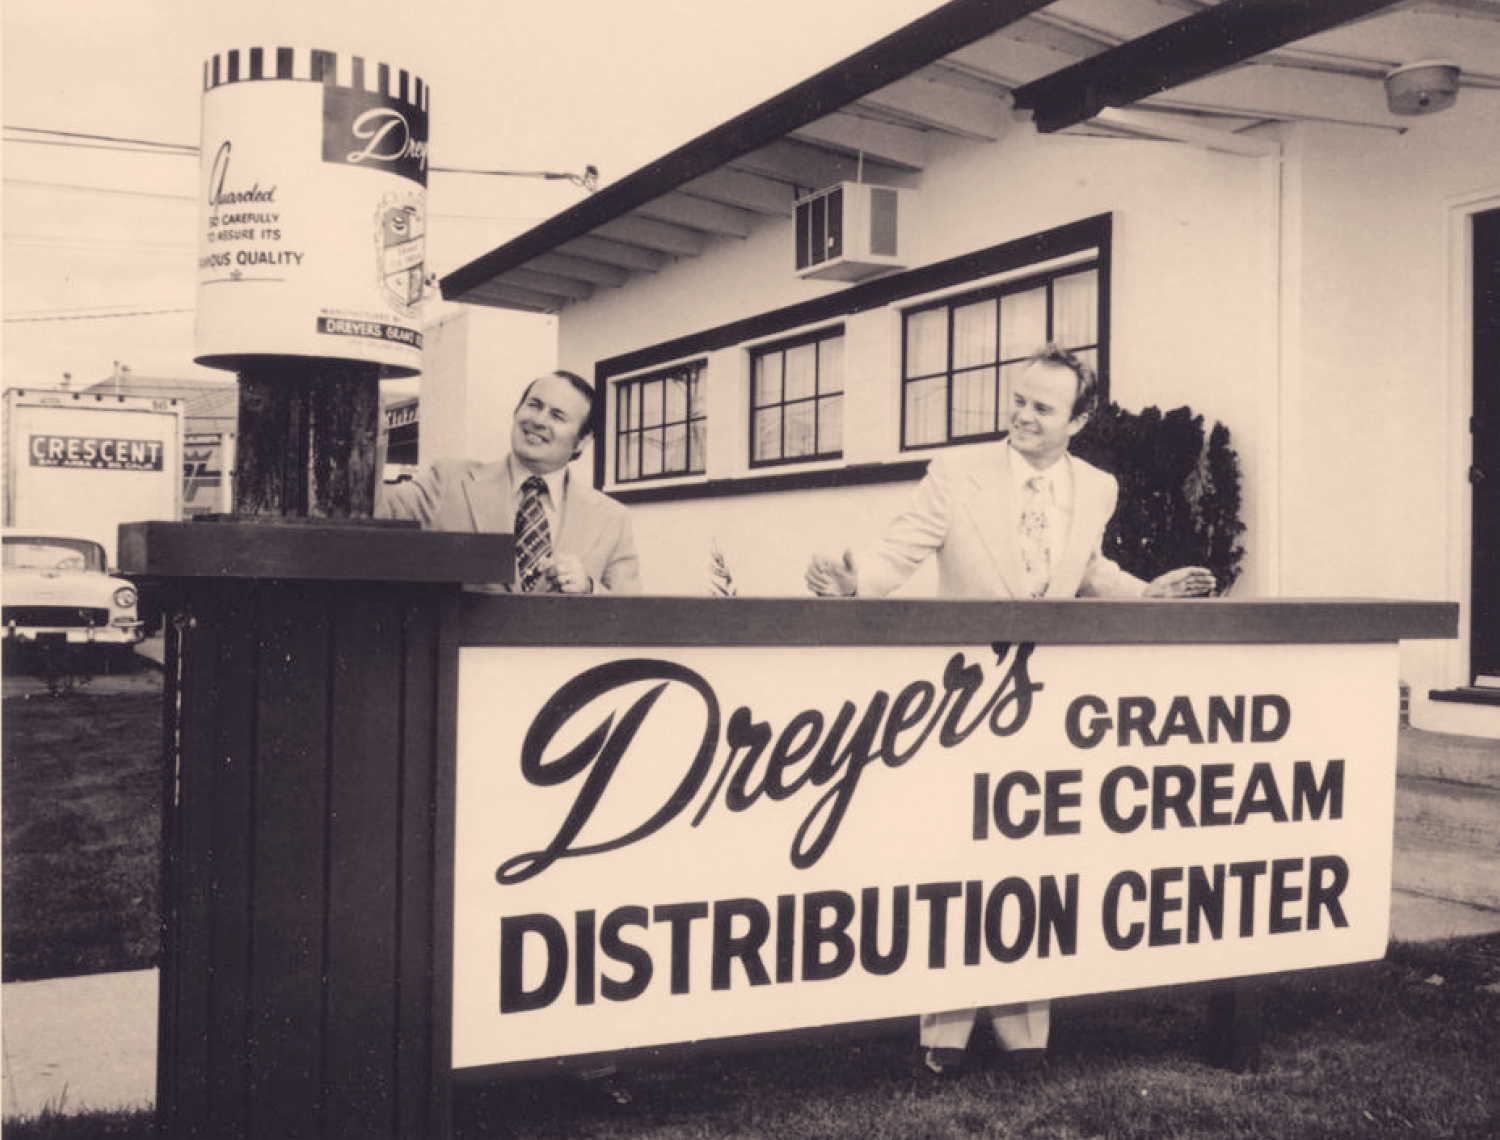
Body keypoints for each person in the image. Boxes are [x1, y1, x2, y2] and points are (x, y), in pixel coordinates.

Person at [805, 343, 1214, 1076]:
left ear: (1078, 421)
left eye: (1042, 407)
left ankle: (1026, 1035)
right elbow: (900, 550)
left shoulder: (1097, 487)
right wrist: (851, 579)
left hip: (1045, 706)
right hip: (962, 705)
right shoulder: (956, 473)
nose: (1022, 416)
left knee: (1032, 863)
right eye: (1018, 400)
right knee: (959, 861)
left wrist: (1145, 594)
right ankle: (945, 1032)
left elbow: (1086, 567)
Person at [379, 370, 642, 596]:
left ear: (582, 441)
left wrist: (589, 588)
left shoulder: (612, 519)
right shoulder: (448, 481)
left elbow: (632, 616)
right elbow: (372, 505)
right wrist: (376, 427)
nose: (539, 421)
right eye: (534, 405)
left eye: (558, 416)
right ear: (516, 411)